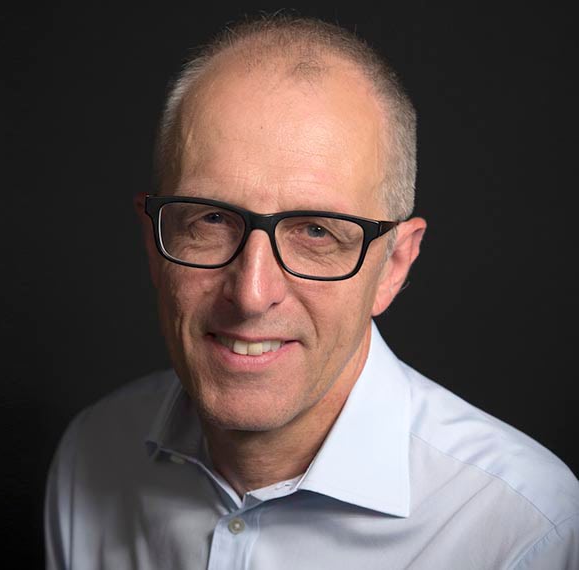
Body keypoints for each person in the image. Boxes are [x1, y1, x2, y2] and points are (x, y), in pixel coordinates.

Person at [44, 14, 579, 569]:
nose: (252, 294)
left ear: (394, 265)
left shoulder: (525, 533)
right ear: (154, 243)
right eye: (211, 219)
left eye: (317, 232)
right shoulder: (93, 453)